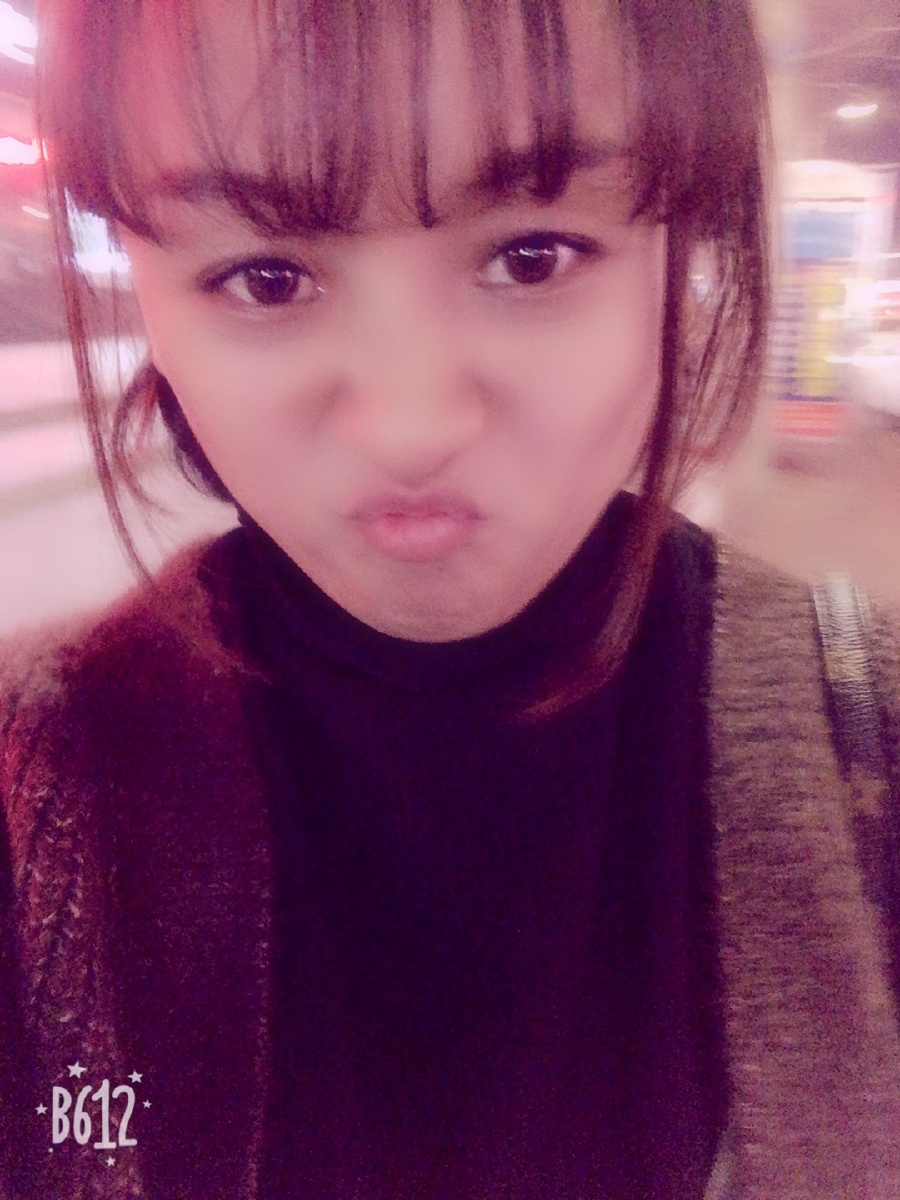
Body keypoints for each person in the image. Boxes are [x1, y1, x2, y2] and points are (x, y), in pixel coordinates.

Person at [1, 1, 899, 1197]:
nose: (412, 425)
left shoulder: (869, 750)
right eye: (265, 276)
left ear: (682, 245)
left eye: (533, 257)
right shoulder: (37, 796)